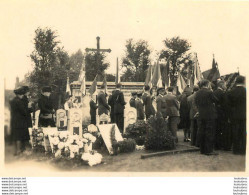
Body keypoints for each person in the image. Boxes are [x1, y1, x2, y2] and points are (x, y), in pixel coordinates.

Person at [195, 79, 218, 155]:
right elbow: (216, 100)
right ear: (207, 84)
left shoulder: (197, 93)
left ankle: (202, 150)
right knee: (209, 132)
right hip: (210, 114)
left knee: (202, 131)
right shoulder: (209, 92)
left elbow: (196, 103)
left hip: (201, 114)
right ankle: (209, 150)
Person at [227, 76, 246, 155]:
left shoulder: (231, 91)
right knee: (243, 132)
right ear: (243, 81)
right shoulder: (245, 91)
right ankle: (243, 149)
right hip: (244, 114)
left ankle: (236, 150)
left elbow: (228, 105)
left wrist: (229, 115)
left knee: (235, 132)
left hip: (234, 115)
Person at [10, 87, 30, 155]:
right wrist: (29, 108)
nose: (22, 96)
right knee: (21, 135)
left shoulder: (13, 100)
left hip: (14, 120)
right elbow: (24, 112)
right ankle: (20, 151)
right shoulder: (19, 101)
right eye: (22, 95)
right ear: (20, 94)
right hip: (20, 120)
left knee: (16, 135)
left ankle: (17, 151)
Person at [213, 80, 231, 150]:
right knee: (224, 130)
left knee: (216, 130)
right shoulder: (223, 94)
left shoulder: (213, 92)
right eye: (225, 85)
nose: (225, 86)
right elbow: (225, 105)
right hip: (222, 114)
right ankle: (224, 145)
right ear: (221, 85)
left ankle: (216, 145)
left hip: (215, 113)